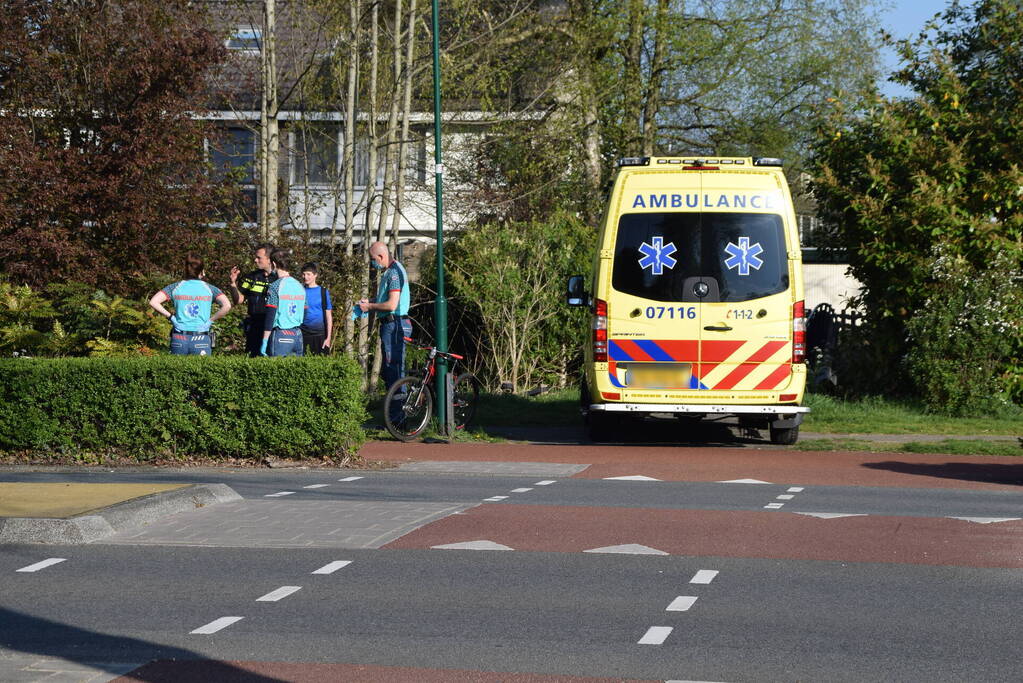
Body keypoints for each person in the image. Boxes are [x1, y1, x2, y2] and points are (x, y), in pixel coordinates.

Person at [149, 254, 232, 355]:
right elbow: (227, 305)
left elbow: (153, 302)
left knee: (176, 366)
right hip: (201, 338)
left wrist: (171, 317)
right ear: (202, 271)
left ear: (186, 269)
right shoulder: (210, 289)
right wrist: (210, 321)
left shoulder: (175, 287)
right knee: (201, 366)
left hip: (179, 338)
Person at [357, 241, 411, 390]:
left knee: (394, 369)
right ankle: (394, 402)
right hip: (391, 324)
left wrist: (369, 307)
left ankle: (398, 404)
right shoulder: (390, 271)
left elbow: (391, 305)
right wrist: (370, 301)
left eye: (373, 259)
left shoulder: (394, 273)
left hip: (395, 324)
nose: (372, 263)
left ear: (381, 256)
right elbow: (386, 299)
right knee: (389, 369)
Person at [229, 243, 277, 357]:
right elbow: (239, 300)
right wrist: (232, 284)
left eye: (259, 258)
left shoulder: (279, 278)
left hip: (273, 327)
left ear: (269, 259)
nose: (255, 260)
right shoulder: (251, 277)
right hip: (254, 326)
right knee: (252, 359)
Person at [260, 249, 307, 357]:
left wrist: (265, 340)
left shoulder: (275, 286)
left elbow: (271, 315)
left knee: (276, 367)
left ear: (274, 264)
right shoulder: (300, 286)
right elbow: (305, 312)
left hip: (281, 334)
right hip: (297, 334)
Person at [300, 262, 333, 355]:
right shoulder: (300, 291)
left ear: (315, 275)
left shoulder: (323, 292)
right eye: (303, 274)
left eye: (308, 274)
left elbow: (328, 316)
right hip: (303, 334)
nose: (305, 277)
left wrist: (328, 338)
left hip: (320, 335)